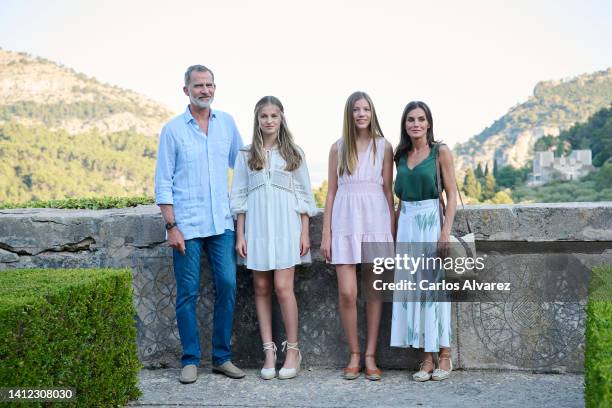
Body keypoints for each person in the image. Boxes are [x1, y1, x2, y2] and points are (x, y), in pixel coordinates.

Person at [155, 65, 245, 384]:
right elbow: (163, 182)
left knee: (228, 286)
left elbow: (244, 164)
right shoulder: (173, 130)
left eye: (209, 85)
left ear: (214, 88)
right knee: (187, 294)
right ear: (186, 90)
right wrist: (171, 226)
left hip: (222, 223)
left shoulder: (228, 124)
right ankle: (190, 359)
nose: (205, 90)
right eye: (198, 85)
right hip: (187, 227)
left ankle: (221, 358)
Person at [230, 96, 316, 380]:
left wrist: (304, 232)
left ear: (282, 119)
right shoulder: (246, 155)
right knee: (262, 286)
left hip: (286, 227)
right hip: (257, 228)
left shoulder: (293, 153)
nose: (269, 121)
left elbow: (304, 195)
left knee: (282, 287)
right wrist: (240, 235)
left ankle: (293, 350)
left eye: (274, 116)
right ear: (257, 119)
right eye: (264, 116)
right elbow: (240, 196)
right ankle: (269, 351)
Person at [320, 91, 395, 380]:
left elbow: (388, 192)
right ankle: (353, 352)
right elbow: (331, 192)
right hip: (345, 220)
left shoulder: (384, 146)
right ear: (349, 115)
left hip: (376, 218)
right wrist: (326, 233)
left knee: (375, 291)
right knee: (348, 292)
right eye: (356, 110)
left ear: (372, 113)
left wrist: (391, 231)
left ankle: (370, 355)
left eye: (366, 109)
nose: (361, 114)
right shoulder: (337, 148)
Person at [390, 101, 458, 381]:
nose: (415, 124)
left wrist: (444, 233)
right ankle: (426, 359)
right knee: (413, 291)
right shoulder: (401, 154)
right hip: (406, 223)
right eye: (410, 120)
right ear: (404, 125)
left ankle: (444, 355)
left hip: (431, 223)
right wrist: (393, 235)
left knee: (435, 291)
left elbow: (452, 194)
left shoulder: (440, 151)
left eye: (420, 119)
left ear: (429, 123)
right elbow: (398, 199)